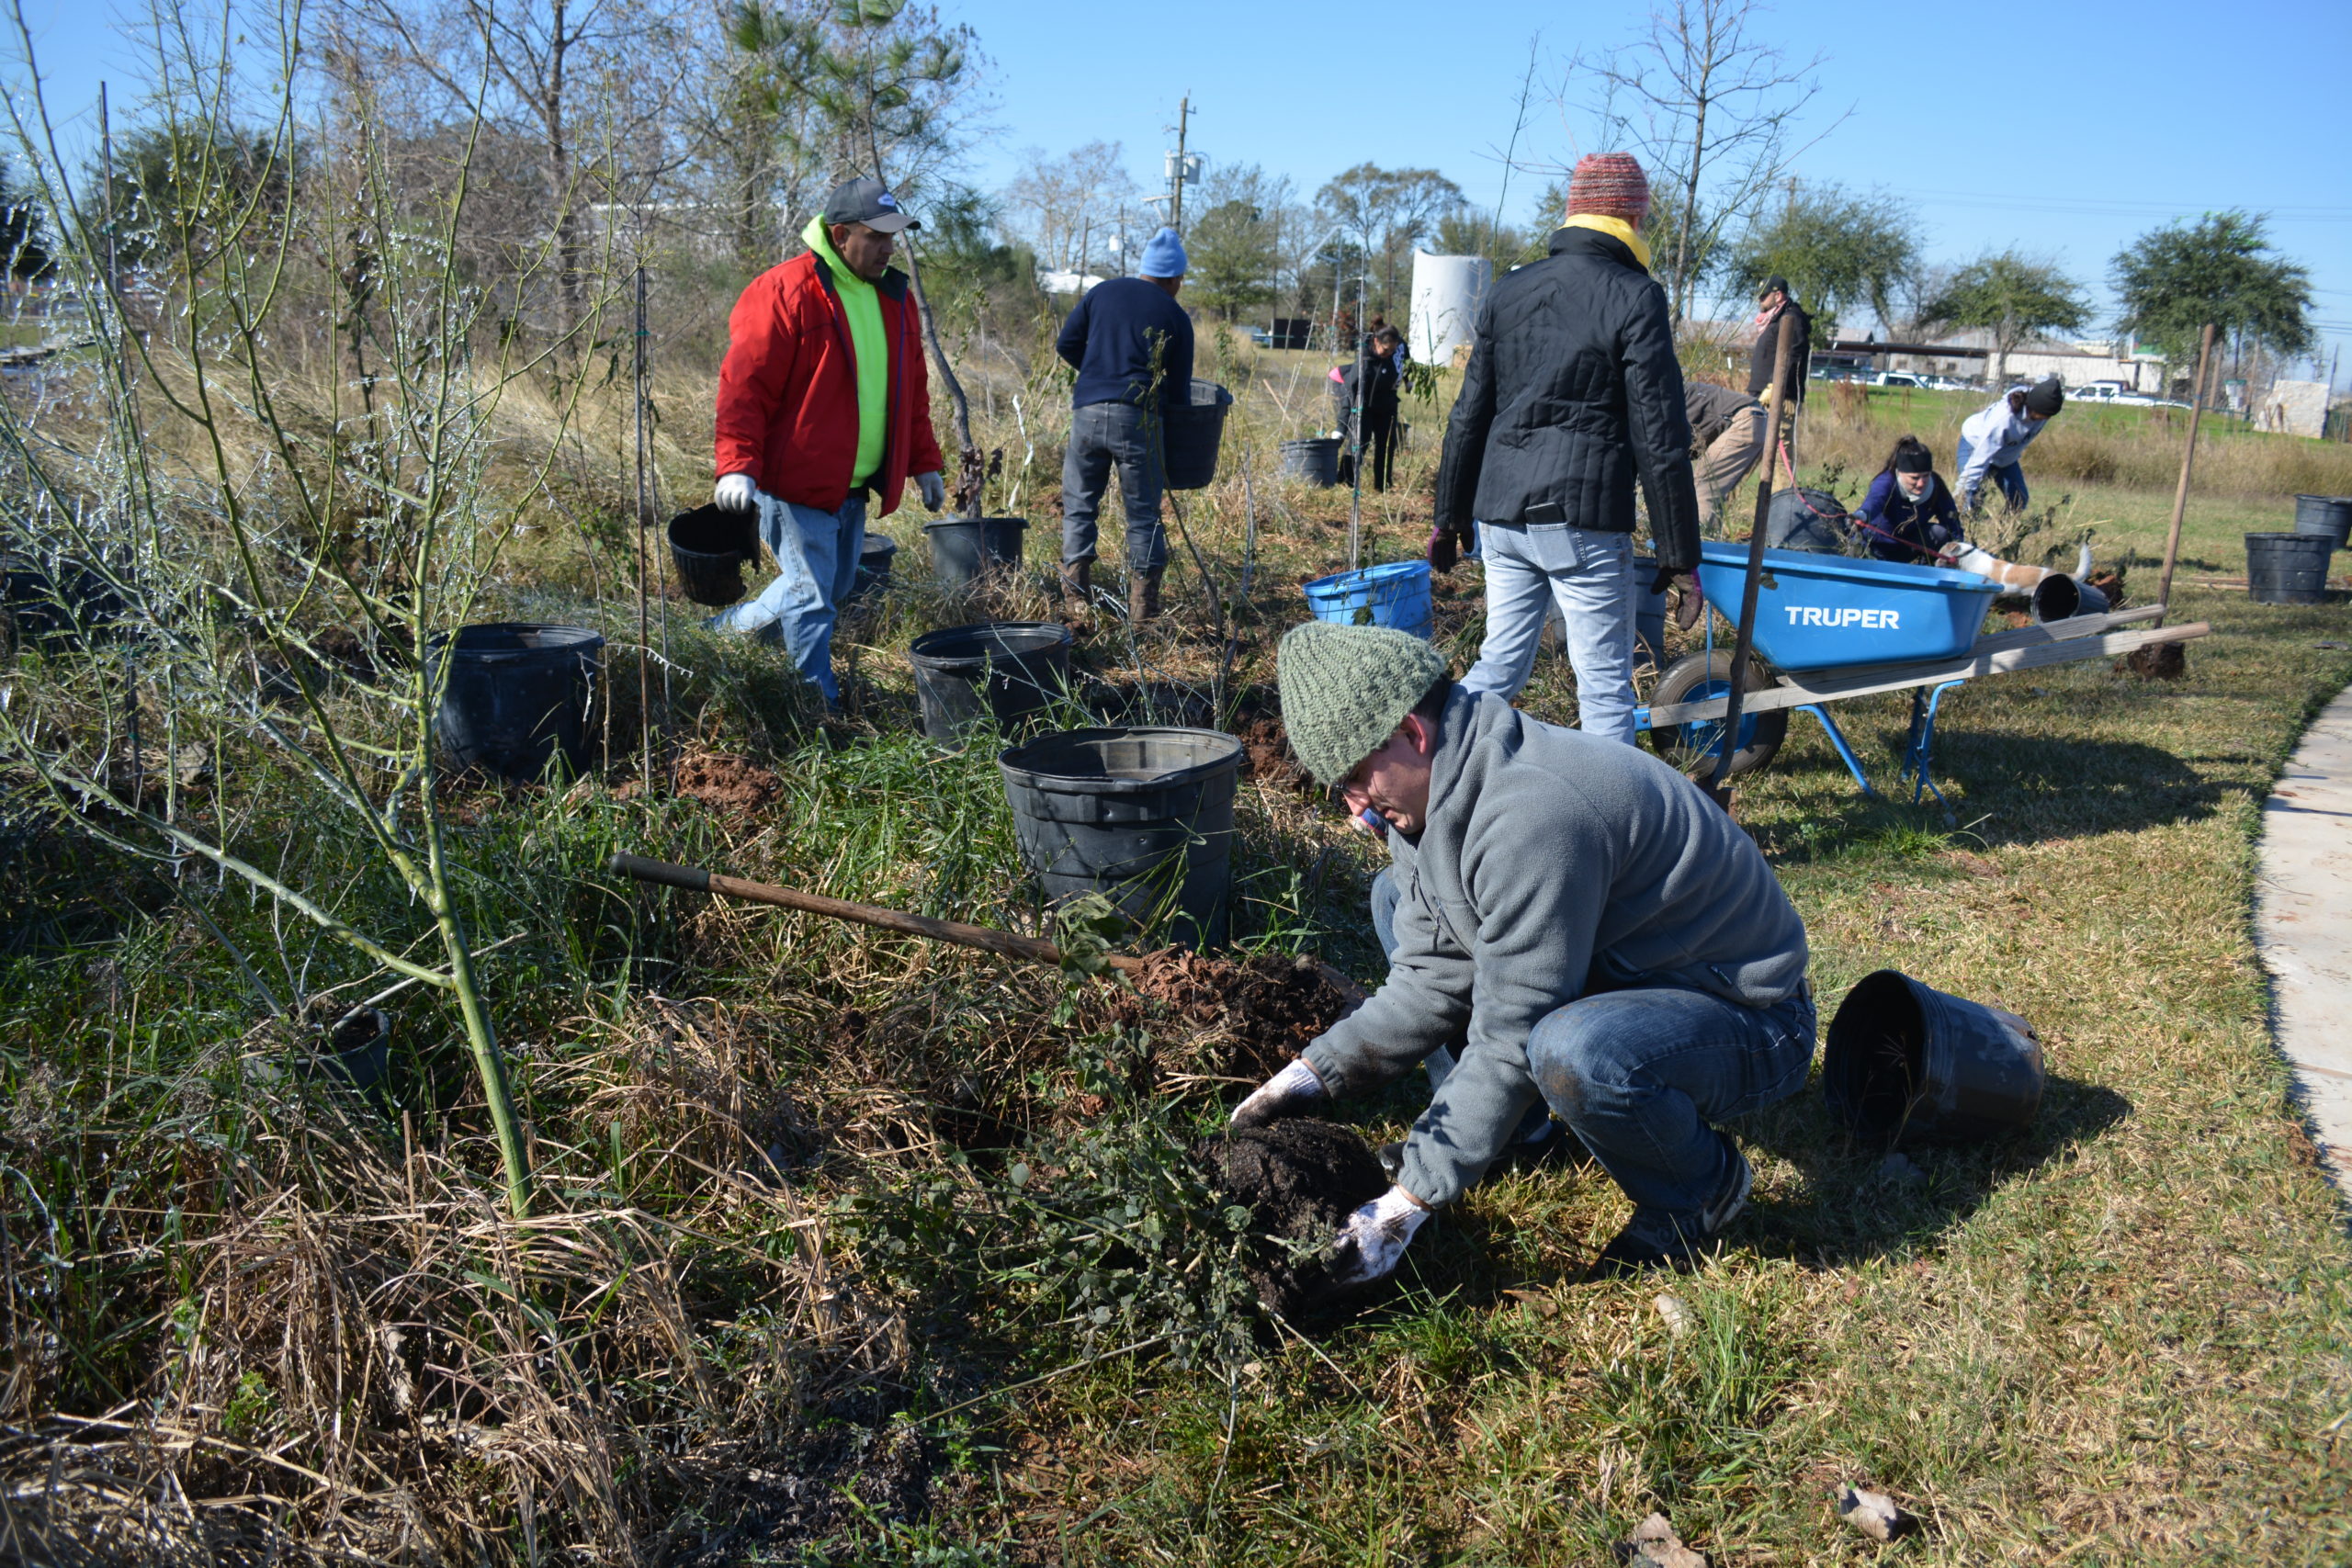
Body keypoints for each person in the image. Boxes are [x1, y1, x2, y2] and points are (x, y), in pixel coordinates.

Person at [1232, 622, 1815, 1283]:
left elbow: (1513, 1026)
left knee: (1570, 1050)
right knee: (1395, 897)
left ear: (1411, 732)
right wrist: (1310, 1075)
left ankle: (1698, 1189)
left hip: (1749, 1016)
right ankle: (1518, 1127)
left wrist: (1408, 1200)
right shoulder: (1430, 793)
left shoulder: (1532, 814)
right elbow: (1431, 978)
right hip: (1629, 973)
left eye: (1356, 779)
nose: (1354, 810)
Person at [1429, 152, 1702, 740]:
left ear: (1574, 209)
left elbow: (1468, 414)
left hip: (1499, 516)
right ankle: (1615, 825)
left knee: (1499, 663)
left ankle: (1432, 765)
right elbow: (1659, 438)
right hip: (1580, 521)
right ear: (1633, 215)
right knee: (1603, 685)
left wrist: (1447, 518)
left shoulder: (1509, 290)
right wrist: (1681, 557)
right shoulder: (1635, 296)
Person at [711, 176, 945, 706]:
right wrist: (736, 464)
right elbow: (744, 387)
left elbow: (912, 390)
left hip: (851, 483)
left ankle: (725, 635)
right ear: (841, 235)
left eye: (894, 236)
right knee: (813, 593)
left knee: (827, 588)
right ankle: (815, 706)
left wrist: (923, 462)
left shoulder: (894, 298)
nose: (889, 247)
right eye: (877, 236)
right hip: (795, 480)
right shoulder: (783, 291)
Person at [1055, 226, 1195, 621]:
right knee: (1143, 514)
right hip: (1137, 419)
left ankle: (1076, 606)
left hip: (1086, 413)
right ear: (1174, 278)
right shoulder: (1175, 315)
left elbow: (1066, 343)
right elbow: (1180, 393)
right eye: (1181, 280)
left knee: (1079, 507)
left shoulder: (1102, 292)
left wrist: (1098, 374)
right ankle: (1143, 615)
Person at [1955, 377, 2064, 513]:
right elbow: (1980, 458)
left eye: (2050, 415)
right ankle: (1962, 528)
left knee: (2019, 500)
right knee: (1971, 499)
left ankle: (2002, 531)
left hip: (2006, 456)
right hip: (1975, 445)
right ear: (2033, 407)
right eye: (2044, 415)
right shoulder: (2003, 420)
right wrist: (1961, 491)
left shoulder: (2042, 410)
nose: (2046, 419)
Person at [1849, 434, 1965, 562]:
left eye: (1926, 476)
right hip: (1874, 549)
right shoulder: (1886, 481)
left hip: (1906, 549)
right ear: (1900, 473)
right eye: (1914, 478)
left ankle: (1925, 573)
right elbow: (1873, 504)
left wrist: (1959, 550)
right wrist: (1861, 516)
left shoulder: (1936, 485)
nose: (1921, 483)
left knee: (1939, 532)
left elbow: (1951, 521)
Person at [1330, 326, 1404, 491]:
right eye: (1386, 349)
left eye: (1392, 350)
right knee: (1359, 442)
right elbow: (1350, 395)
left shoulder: (1392, 356)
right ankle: (1346, 480)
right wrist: (1341, 427)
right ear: (1376, 342)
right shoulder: (1363, 363)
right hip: (1364, 408)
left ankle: (1383, 485)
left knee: (1386, 446)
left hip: (1386, 408)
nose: (1389, 353)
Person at [1687, 381, 1766, 532]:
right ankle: (1713, 542)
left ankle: (1700, 543)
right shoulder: (1674, 388)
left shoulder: (1664, 399)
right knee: (1715, 493)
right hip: (1756, 418)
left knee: (1704, 488)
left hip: (1743, 420)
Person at [1747, 276, 1811, 409]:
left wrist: (1774, 386)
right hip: (1762, 396)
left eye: (1764, 296)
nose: (1760, 300)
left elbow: (1793, 356)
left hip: (1781, 398)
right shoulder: (1774, 320)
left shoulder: (1791, 318)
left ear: (1777, 295)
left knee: (1779, 431)